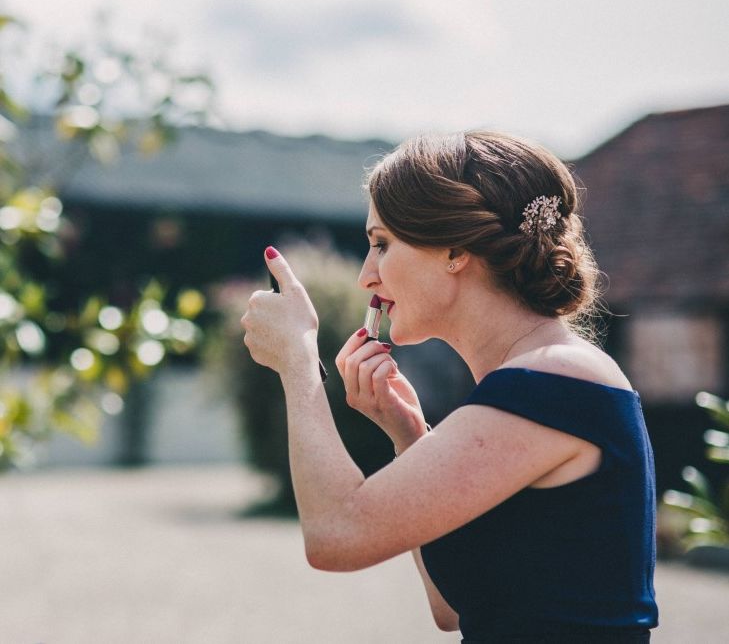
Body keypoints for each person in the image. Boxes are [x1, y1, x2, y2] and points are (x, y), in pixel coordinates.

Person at [241, 130, 659, 643]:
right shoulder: (529, 384)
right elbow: (453, 608)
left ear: (454, 250)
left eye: (381, 244)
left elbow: (334, 535)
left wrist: (298, 362)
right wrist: (410, 436)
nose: (365, 277)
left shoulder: (557, 379)